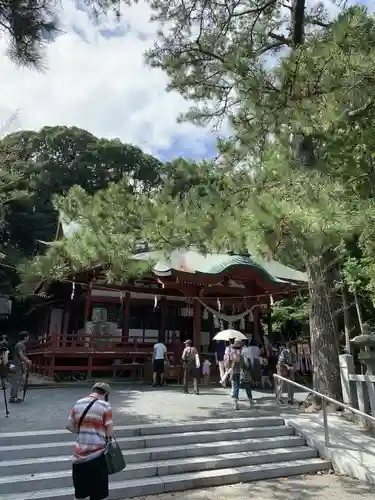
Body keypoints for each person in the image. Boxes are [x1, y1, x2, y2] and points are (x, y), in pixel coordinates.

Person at [66, 382, 113, 500]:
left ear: (93, 390)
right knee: (97, 494)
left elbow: (69, 425)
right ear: (105, 393)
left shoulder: (78, 403)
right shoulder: (105, 406)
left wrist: (83, 431)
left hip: (79, 456)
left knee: (80, 493)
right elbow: (109, 432)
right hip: (97, 455)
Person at [228, 339, 253, 410]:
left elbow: (229, 363)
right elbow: (245, 365)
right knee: (247, 386)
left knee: (236, 387)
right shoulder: (242, 353)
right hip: (243, 372)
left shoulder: (232, 353)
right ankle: (250, 401)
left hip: (235, 372)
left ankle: (236, 404)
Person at [9, 331, 31, 404]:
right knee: (16, 381)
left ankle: (14, 396)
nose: (28, 337)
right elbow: (21, 355)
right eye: (28, 336)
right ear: (25, 337)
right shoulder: (20, 345)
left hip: (18, 364)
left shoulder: (20, 345)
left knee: (17, 381)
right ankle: (13, 397)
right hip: (17, 365)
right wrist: (27, 360)